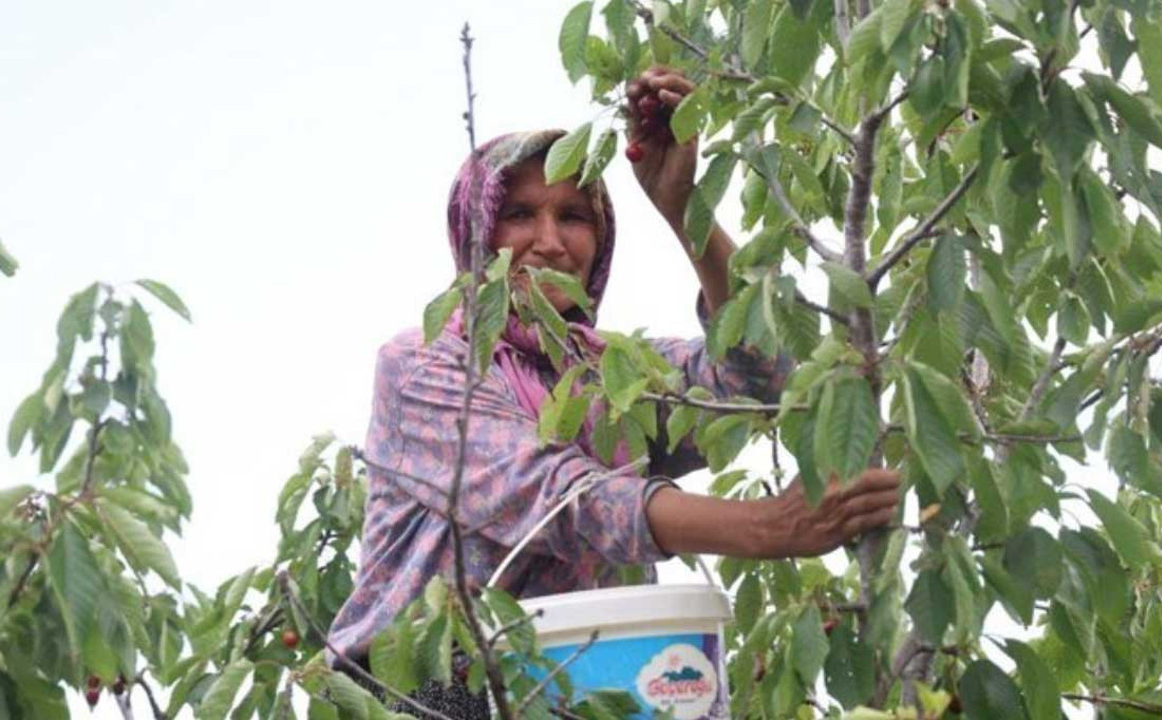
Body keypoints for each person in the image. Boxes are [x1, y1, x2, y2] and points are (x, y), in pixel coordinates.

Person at [327, 67, 901, 717]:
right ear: (476, 232)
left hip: (579, 679)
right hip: (425, 694)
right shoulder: (424, 366)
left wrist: (685, 206)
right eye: (518, 214)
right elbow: (556, 498)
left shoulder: (610, 377)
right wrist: (764, 527)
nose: (549, 241)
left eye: (573, 216)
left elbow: (754, 386)